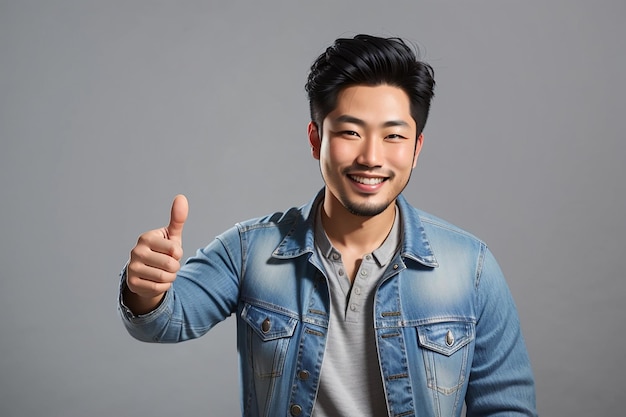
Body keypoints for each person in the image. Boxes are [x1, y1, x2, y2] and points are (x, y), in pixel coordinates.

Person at [119, 34, 537, 417]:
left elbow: (507, 406)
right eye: (350, 132)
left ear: (416, 148)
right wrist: (144, 289)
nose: (371, 156)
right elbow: (165, 320)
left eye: (393, 136)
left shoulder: (470, 268)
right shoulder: (251, 250)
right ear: (316, 139)